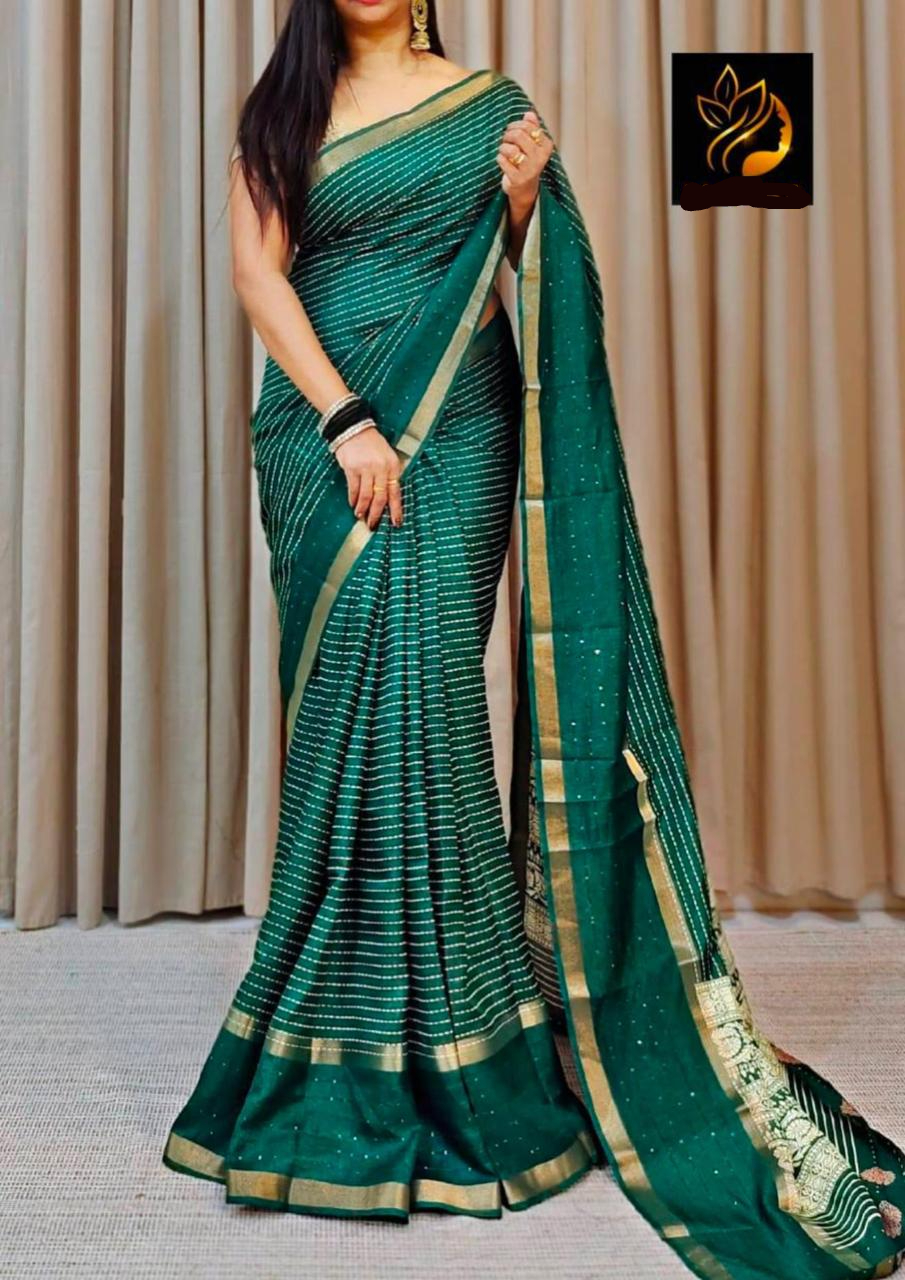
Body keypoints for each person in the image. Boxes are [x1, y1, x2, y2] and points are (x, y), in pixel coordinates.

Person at [161, 2, 905, 1276]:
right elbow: (256, 273)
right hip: (327, 440)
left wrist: (517, 206)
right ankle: (331, 1037)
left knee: (434, 702)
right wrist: (343, 418)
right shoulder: (283, 108)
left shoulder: (485, 104)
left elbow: (526, 273)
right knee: (347, 715)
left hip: (456, 428)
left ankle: (469, 1038)